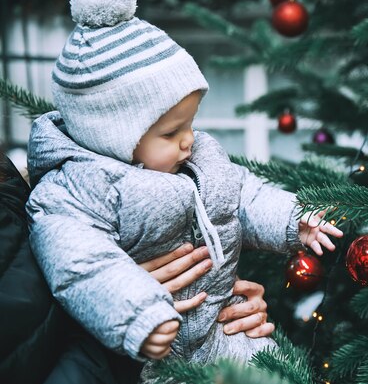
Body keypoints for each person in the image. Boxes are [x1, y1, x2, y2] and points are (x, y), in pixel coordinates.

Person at [25, 0, 342, 382]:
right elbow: (82, 265)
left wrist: (292, 219)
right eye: (171, 131)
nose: (189, 140)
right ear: (113, 137)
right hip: (159, 349)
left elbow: (243, 193)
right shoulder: (77, 190)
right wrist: (138, 315)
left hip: (225, 329)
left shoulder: (197, 159)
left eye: (191, 123)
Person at [1, 152, 274, 384]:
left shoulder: (24, 184)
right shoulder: (61, 192)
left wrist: (219, 293)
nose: (187, 142)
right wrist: (119, 301)